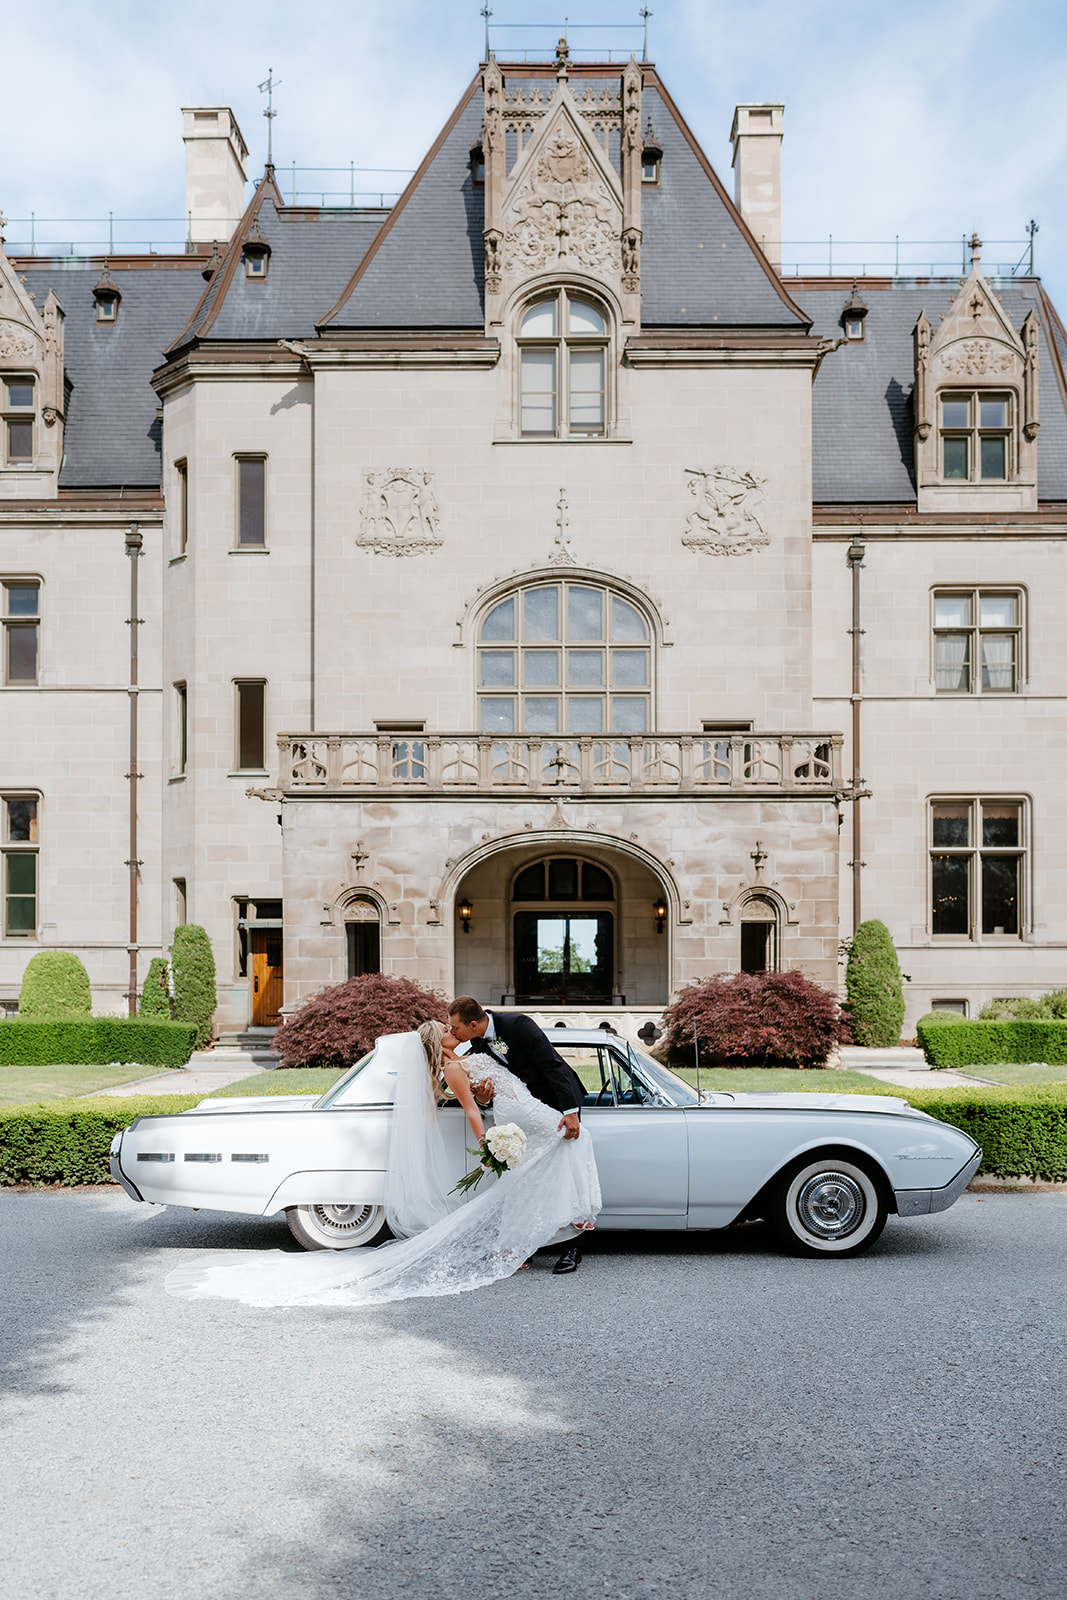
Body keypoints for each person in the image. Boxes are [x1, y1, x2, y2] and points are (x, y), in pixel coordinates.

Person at [165, 1018, 601, 1308]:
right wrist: (486, 1143)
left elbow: (487, 1090)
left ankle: (541, 1240)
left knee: (540, 1173)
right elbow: (471, 1107)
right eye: (448, 1030)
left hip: (526, 1113)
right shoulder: (457, 1065)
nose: (454, 1032)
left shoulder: (470, 1053)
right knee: (542, 1168)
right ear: (441, 1040)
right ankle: (546, 1239)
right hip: (522, 1122)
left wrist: (489, 1093)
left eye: (454, 1026)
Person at [446, 996, 592, 1275]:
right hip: (523, 1110)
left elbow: (552, 1064)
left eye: (456, 1028)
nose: (454, 1033)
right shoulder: (476, 1042)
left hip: (556, 1102)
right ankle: (531, 1242)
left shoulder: (518, 1025)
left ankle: (573, 1247)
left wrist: (570, 1110)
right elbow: (496, 1083)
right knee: (530, 1175)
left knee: (566, 1169)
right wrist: (484, 1097)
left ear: (473, 1024)